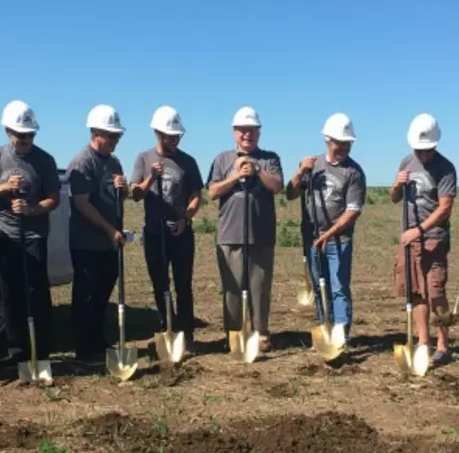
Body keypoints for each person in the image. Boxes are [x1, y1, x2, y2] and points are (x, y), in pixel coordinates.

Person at [0, 100, 60, 366]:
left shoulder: (45, 160)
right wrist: (4, 188)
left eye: (30, 135)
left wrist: (32, 210)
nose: (25, 140)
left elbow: (54, 199)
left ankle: (42, 348)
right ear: (7, 132)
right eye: (20, 136)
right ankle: (16, 350)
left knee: (36, 292)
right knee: (11, 293)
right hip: (5, 235)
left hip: (34, 235)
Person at [206, 107, 284, 352]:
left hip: (261, 235)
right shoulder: (222, 159)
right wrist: (235, 174)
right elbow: (212, 191)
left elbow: (277, 186)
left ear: (259, 132)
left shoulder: (270, 158)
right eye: (242, 130)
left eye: (252, 130)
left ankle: (261, 332)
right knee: (232, 287)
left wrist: (257, 169)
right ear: (234, 132)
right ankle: (234, 332)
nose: (247, 134)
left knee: (260, 287)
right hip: (230, 235)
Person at [287, 112, 366, 345]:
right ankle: (325, 327)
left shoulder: (354, 172)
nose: (344, 148)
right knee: (319, 285)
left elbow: (353, 211)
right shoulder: (313, 166)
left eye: (347, 144)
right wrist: (300, 172)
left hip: (338, 240)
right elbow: (291, 194)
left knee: (338, 287)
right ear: (328, 141)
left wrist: (329, 234)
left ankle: (341, 335)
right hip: (312, 238)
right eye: (340, 143)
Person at [130, 106, 203, 353]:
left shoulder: (188, 162)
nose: (175, 139)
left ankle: (187, 333)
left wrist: (186, 217)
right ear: (158, 134)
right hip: (153, 233)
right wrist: (150, 178)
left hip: (181, 233)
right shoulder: (143, 158)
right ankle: (167, 328)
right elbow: (135, 194)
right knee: (160, 283)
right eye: (170, 136)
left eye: (177, 136)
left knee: (183, 283)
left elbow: (196, 195)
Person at [388, 113, 457, 365]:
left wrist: (419, 229)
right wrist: (396, 185)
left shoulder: (446, 168)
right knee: (416, 292)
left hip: (434, 239)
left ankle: (443, 346)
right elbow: (394, 197)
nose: (424, 155)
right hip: (410, 241)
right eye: (419, 150)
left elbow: (445, 208)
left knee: (435, 291)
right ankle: (422, 342)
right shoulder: (406, 162)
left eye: (428, 150)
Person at [66, 105, 128, 362]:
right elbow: (82, 203)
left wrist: (123, 187)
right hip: (87, 242)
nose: (115, 141)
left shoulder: (113, 162)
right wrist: (108, 229)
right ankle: (83, 349)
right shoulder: (82, 162)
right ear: (95, 133)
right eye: (111, 135)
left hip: (109, 243)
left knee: (103, 295)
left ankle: (98, 343)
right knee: (86, 297)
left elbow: (118, 197)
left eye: (118, 136)